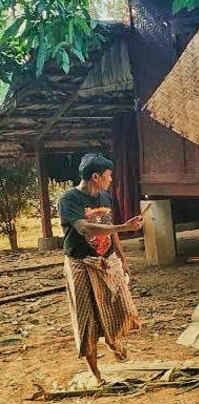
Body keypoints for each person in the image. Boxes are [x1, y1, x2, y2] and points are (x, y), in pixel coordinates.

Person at [57, 153, 144, 384]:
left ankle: (113, 341)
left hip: (107, 260)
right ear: (96, 176)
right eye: (109, 175)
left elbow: (109, 229)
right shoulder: (68, 200)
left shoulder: (105, 197)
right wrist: (124, 226)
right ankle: (96, 375)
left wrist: (121, 257)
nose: (112, 179)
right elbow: (85, 228)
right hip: (80, 264)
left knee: (122, 306)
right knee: (87, 320)